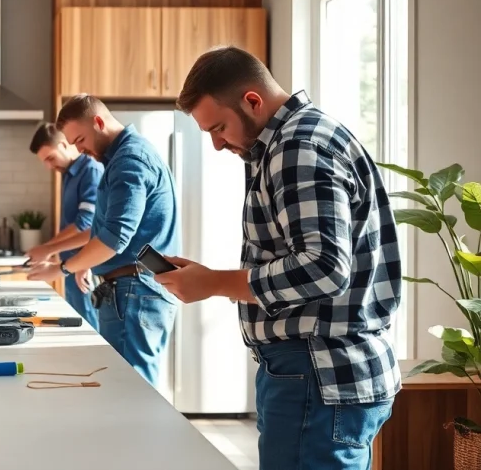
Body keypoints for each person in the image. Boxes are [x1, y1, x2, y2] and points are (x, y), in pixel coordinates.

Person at [156, 46, 401, 470]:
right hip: (324, 371)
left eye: (219, 127)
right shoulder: (301, 138)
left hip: (316, 371)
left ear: (252, 100)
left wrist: (214, 283)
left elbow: (324, 268)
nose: (216, 145)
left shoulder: (297, 148)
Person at [27, 95, 181, 387]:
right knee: (125, 390)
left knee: (130, 392)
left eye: (80, 139)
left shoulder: (129, 161)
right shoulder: (119, 160)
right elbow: (101, 229)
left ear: (98, 122)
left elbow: (114, 237)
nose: (80, 149)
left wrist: (62, 268)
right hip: (129, 291)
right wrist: (83, 260)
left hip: (134, 292)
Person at [25, 122, 104, 331]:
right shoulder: (69, 174)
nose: (49, 166)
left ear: (63, 144)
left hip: (84, 267)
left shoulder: (90, 170)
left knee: (90, 331)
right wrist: (50, 250)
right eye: (44, 162)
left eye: (50, 158)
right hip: (70, 265)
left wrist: (48, 248)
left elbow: (85, 224)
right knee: (79, 326)